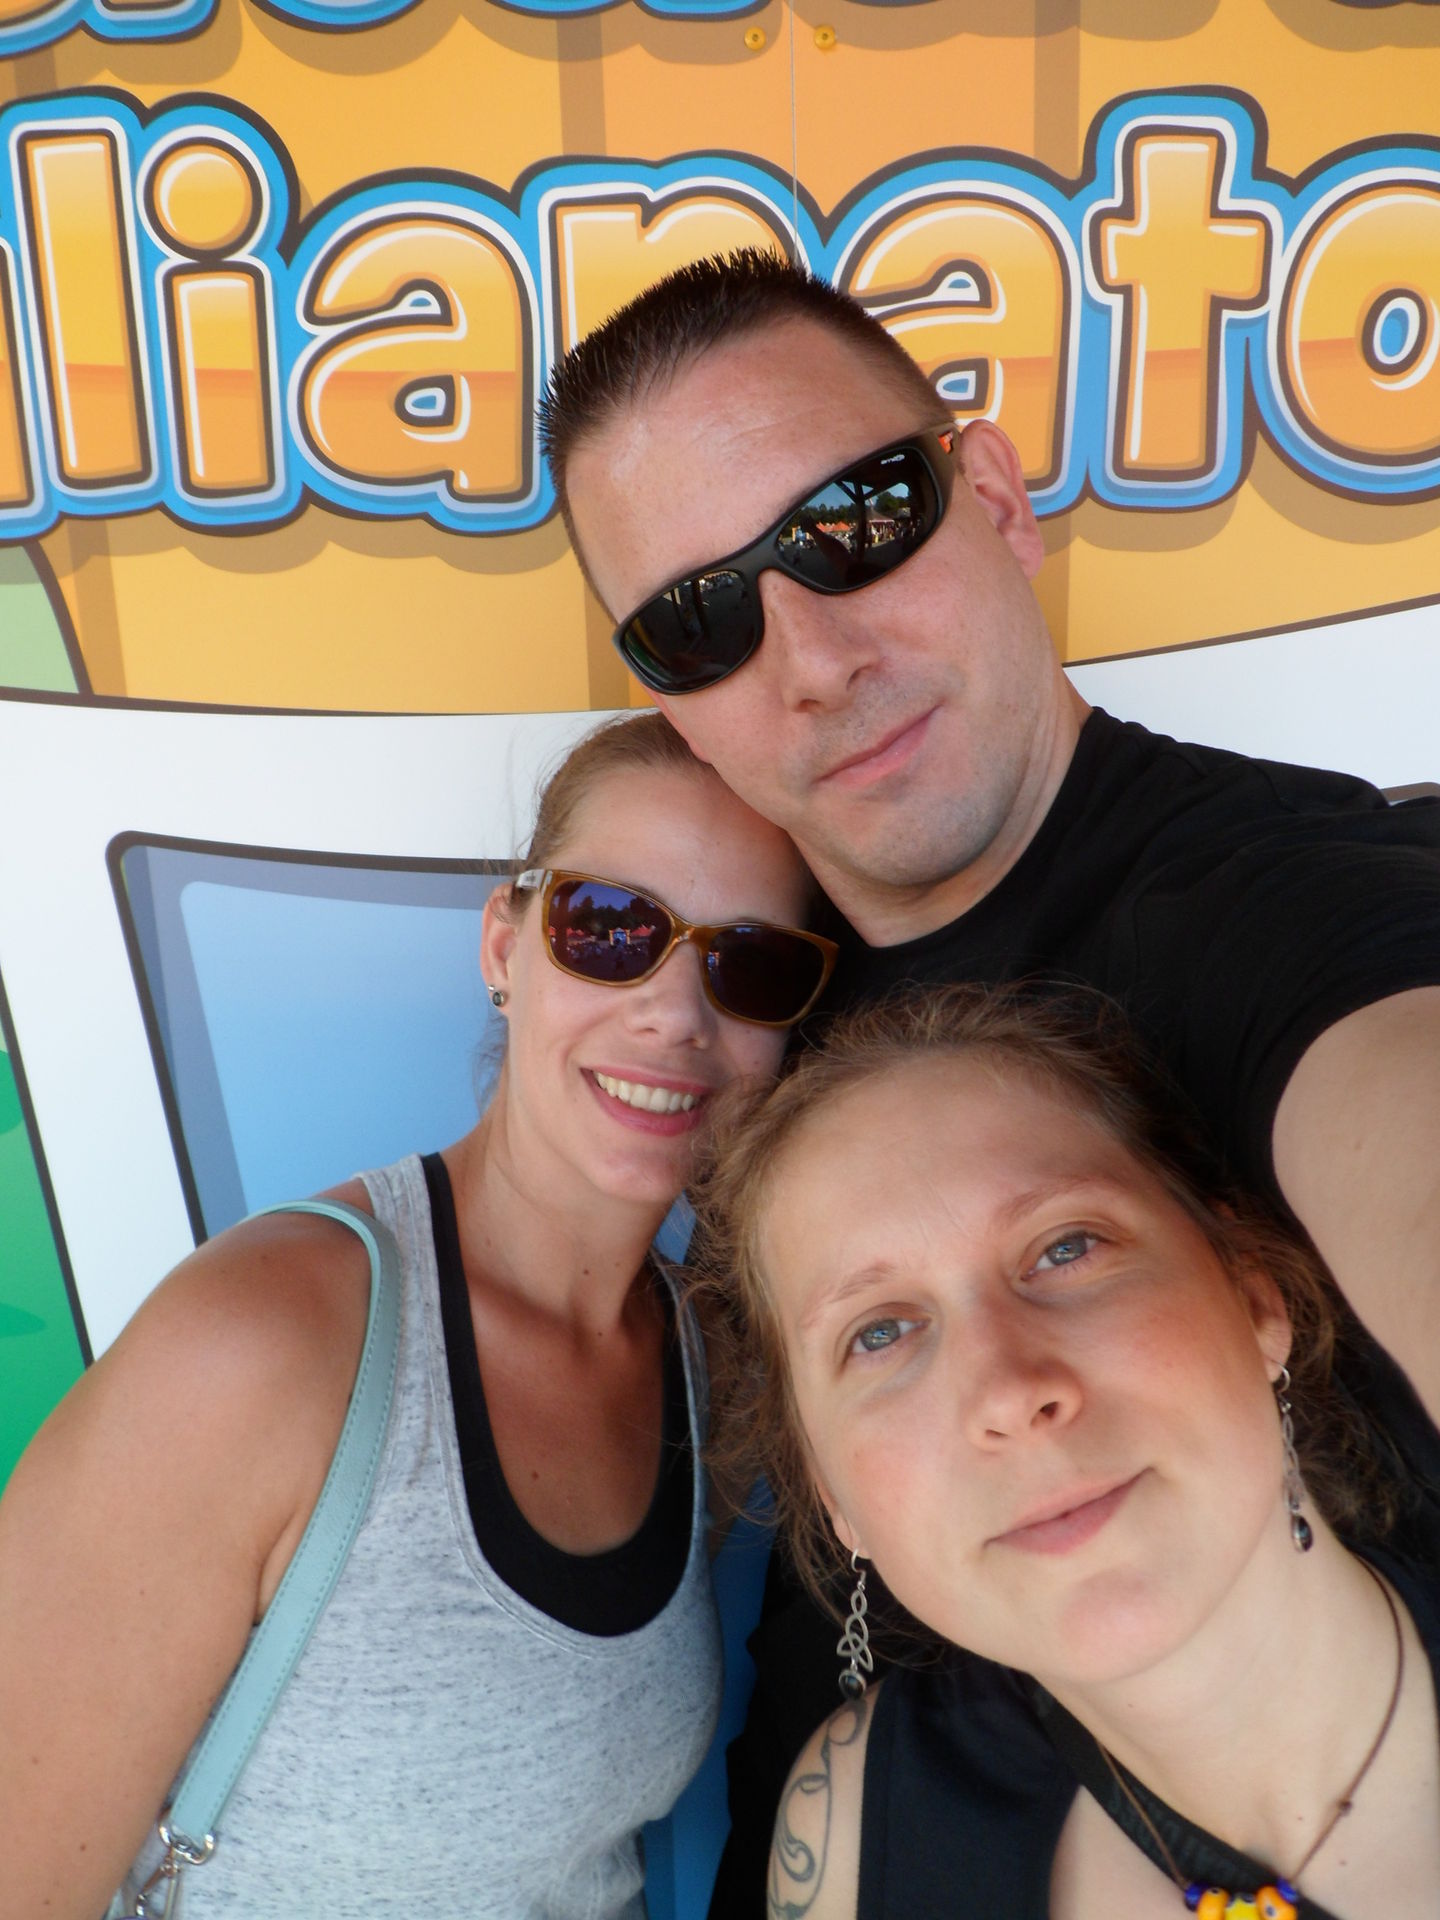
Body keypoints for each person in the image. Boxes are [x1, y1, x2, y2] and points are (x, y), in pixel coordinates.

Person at [538, 248, 1440, 1895]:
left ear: (998, 501)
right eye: (698, 620)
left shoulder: (1285, 906)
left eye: (853, 522)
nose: (814, 660)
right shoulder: (725, 1002)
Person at [0, 711, 835, 1918]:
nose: (674, 1015)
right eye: (610, 928)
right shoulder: (266, 1342)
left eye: (749, 966)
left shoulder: (702, 1367)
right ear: (505, 945)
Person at [693, 985, 1440, 1920]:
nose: (1007, 1392)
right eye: (879, 1333)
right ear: (834, 1497)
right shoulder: (853, 1826)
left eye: (1067, 1247)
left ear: (1255, 1298)